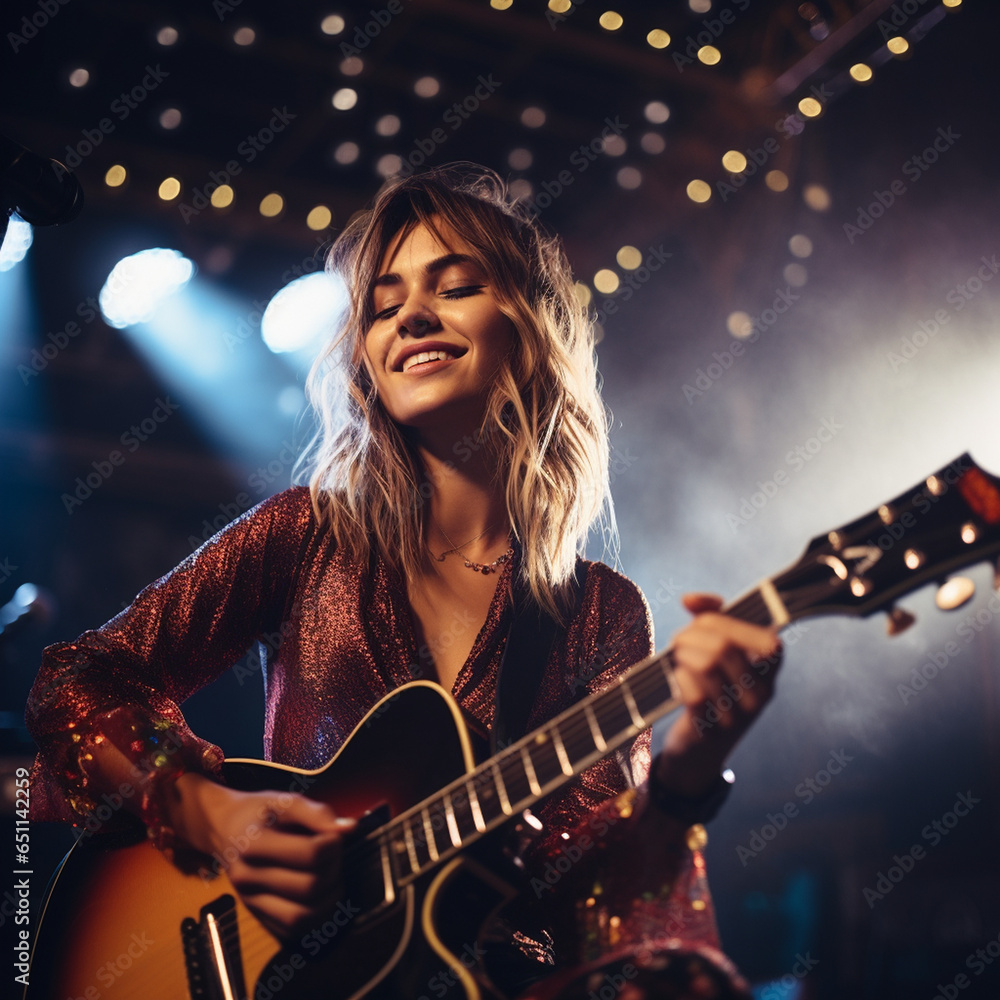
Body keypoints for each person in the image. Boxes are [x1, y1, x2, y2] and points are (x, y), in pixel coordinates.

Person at [26, 163, 782, 999]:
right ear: (367, 363)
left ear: (528, 329)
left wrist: (695, 759)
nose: (411, 315)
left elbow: (589, 898)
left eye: (454, 287)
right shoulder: (307, 532)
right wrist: (208, 810)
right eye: (383, 307)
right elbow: (81, 678)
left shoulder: (599, 610)